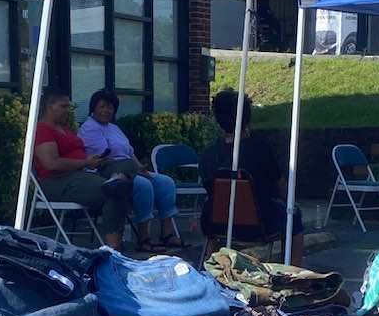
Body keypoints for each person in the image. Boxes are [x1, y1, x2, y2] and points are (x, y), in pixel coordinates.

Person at [199, 89, 304, 266]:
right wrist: (289, 203)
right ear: (247, 118)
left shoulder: (208, 155)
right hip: (260, 224)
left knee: (214, 218)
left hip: (216, 224)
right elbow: (280, 185)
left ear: (217, 119)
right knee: (293, 214)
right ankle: (292, 269)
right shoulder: (260, 149)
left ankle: (211, 266)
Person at [79, 88, 183, 251]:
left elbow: (129, 152)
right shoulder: (89, 128)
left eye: (110, 107)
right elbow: (103, 158)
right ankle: (144, 238)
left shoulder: (114, 128)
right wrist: (132, 170)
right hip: (108, 172)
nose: (106, 110)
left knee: (165, 182)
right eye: (102, 106)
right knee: (143, 185)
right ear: (93, 108)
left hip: (130, 168)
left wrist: (139, 167)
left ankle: (167, 234)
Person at [33, 89, 129, 250]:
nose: (68, 111)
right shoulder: (43, 130)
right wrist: (84, 163)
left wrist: (94, 161)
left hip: (80, 175)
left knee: (124, 177)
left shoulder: (64, 129)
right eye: (63, 106)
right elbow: (51, 164)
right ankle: (114, 248)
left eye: (69, 107)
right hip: (57, 182)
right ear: (49, 107)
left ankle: (115, 244)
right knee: (114, 190)